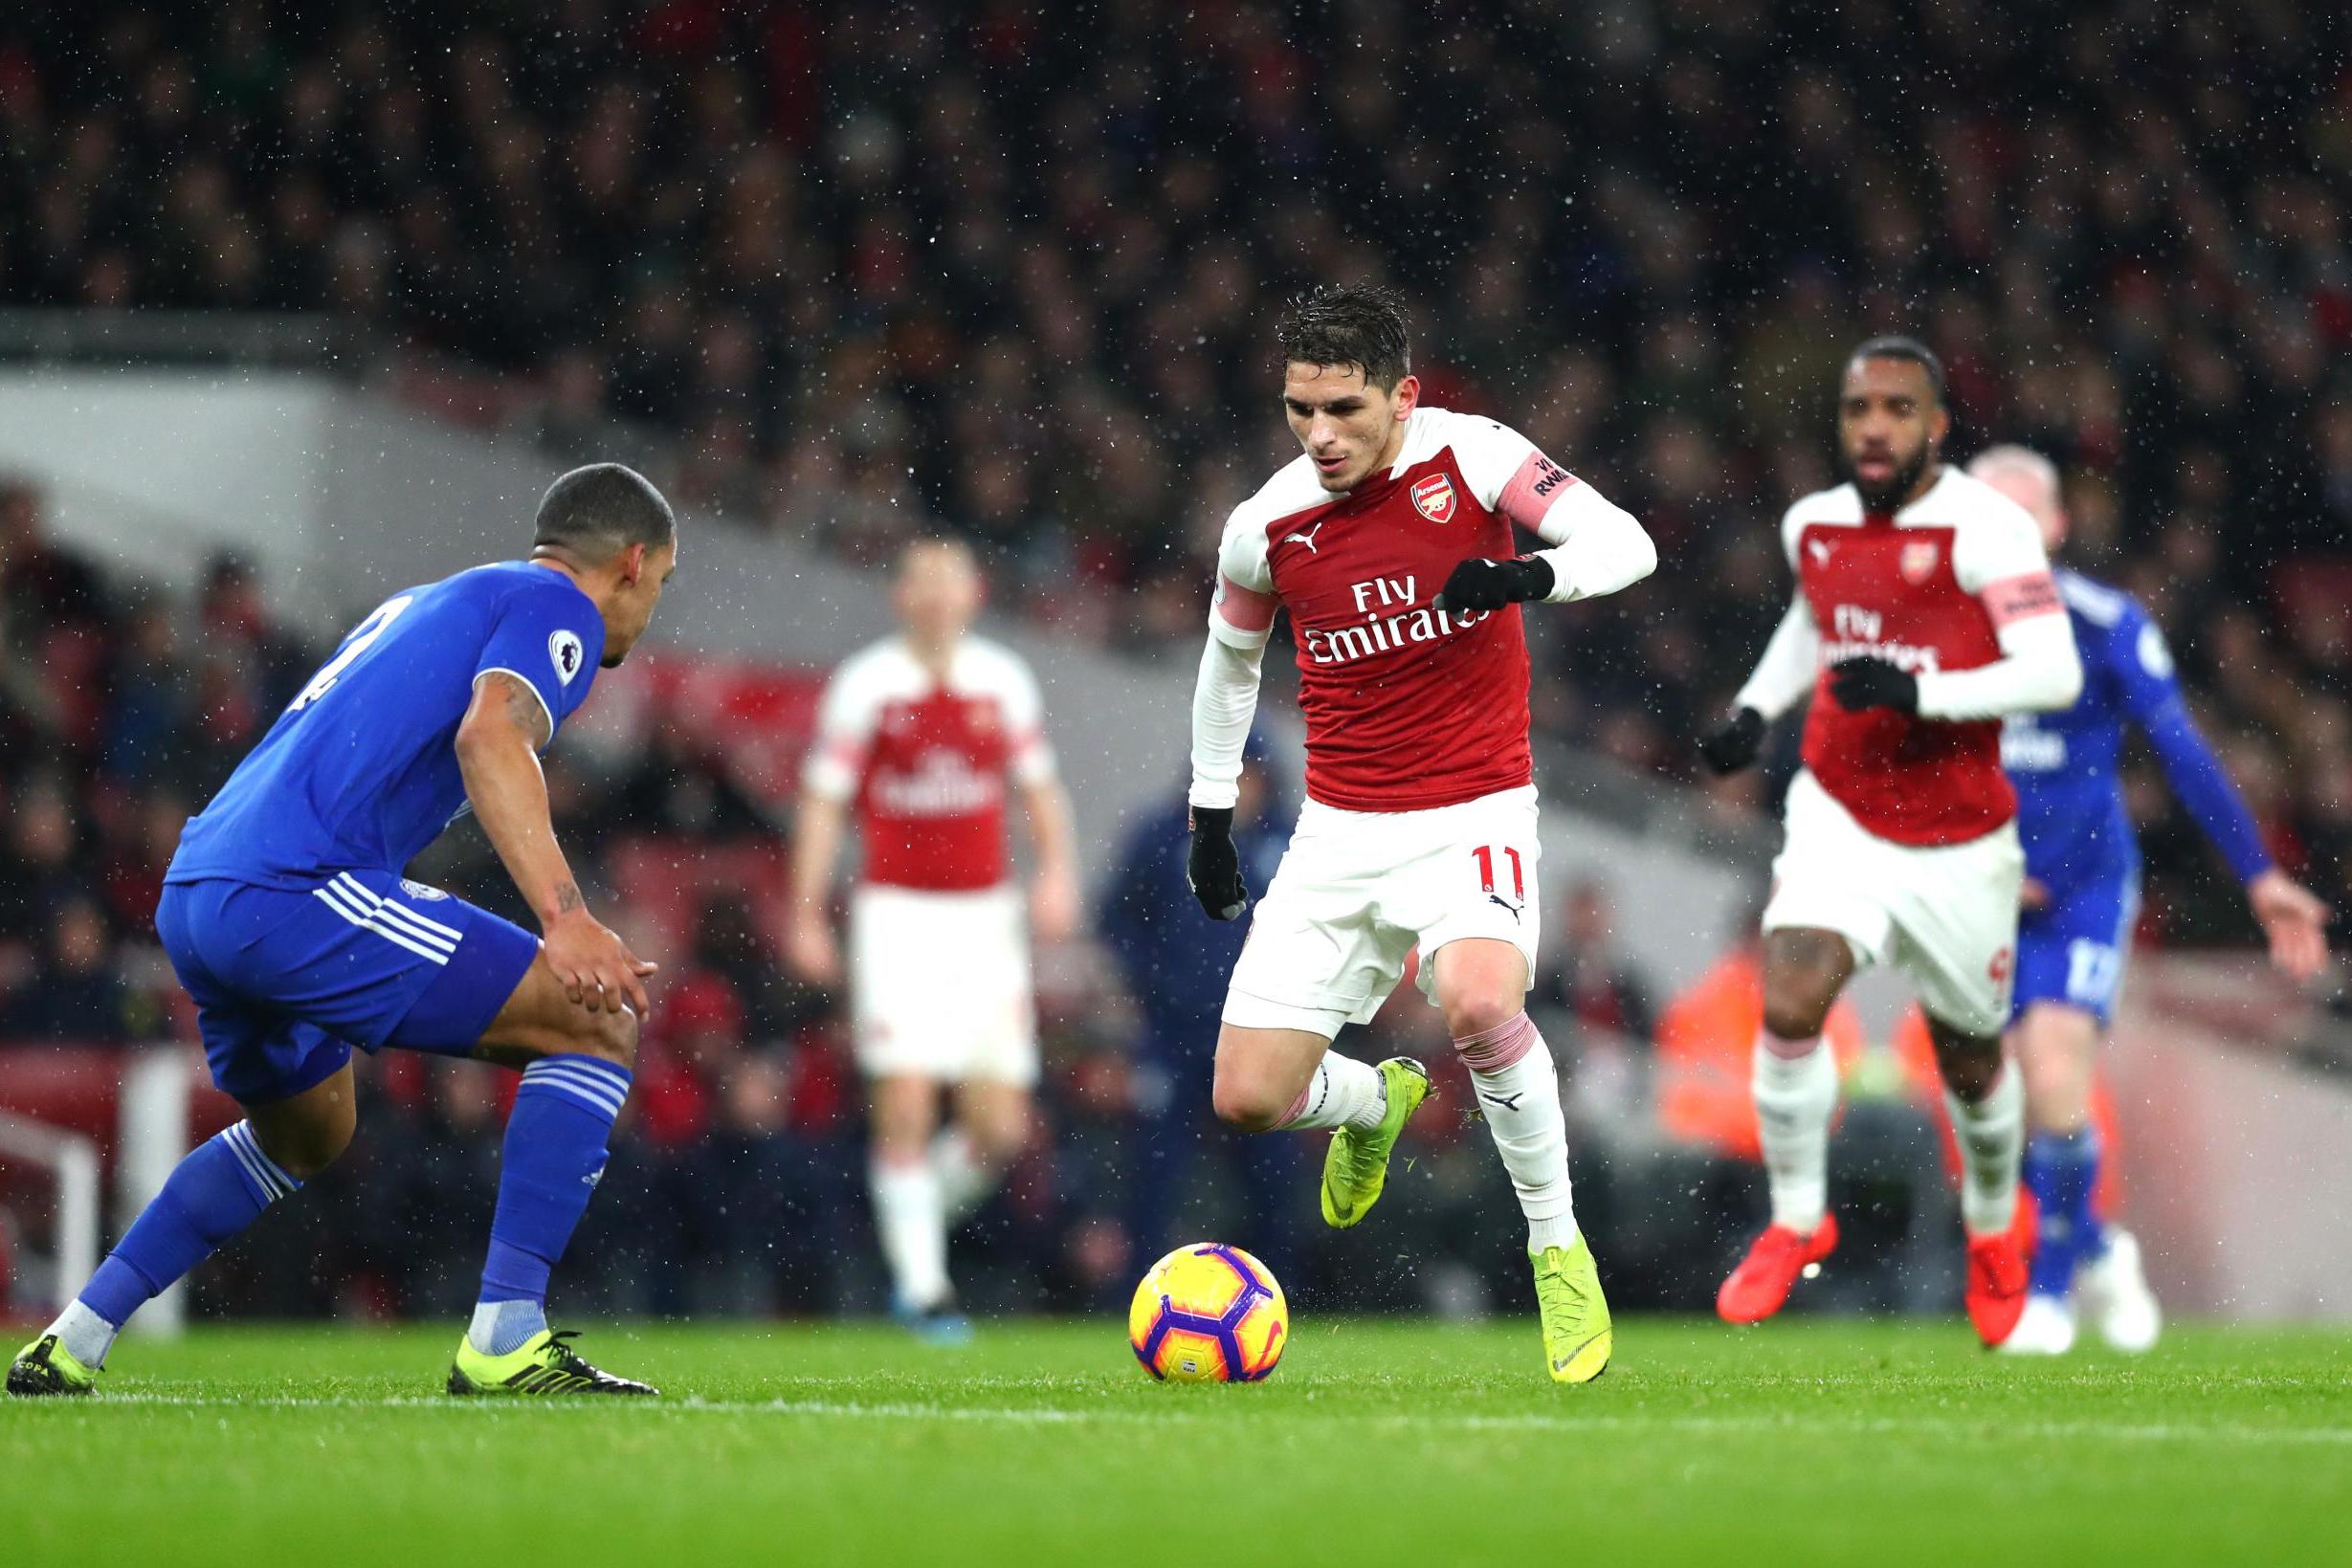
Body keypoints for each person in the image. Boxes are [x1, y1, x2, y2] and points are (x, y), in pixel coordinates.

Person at [8, 463, 677, 1399]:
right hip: (296, 889)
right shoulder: (554, 607)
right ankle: (507, 1336)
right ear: (632, 564)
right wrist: (567, 918)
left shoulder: (428, 601)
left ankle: (71, 1336)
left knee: (307, 1131)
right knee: (597, 1020)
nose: (648, 615)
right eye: (661, 587)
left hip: (202, 888)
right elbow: (490, 739)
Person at [1184, 284, 1655, 1382]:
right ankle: (1374, 1099)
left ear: (1403, 396)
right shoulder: (1265, 523)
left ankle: (1554, 1243)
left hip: (1472, 813)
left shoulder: (1474, 456)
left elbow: (1624, 541)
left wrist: (1532, 572)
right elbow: (1228, 662)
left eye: (1343, 408)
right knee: (1247, 1097)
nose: (1319, 434)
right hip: (1338, 832)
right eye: (1300, 409)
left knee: (1485, 1002)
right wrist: (1212, 810)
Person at [1697, 338, 2083, 1347]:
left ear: (1935, 425)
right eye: (1858, 407)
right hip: (1839, 807)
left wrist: (1922, 691)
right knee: (1787, 996)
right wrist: (1753, 708)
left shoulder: (1988, 530)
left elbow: (2052, 672)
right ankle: (1793, 1216)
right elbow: (1808, 624)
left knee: (1968, 1063)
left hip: (1959, 838)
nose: (1873, 426)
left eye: (1896, 408)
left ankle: (1997, 1229)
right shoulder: (1812, 525)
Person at [1967, 445, 2331, 1356]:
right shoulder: (1933, 634)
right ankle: (2097, 1243)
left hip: (2085, 885)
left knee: (2054, 1072)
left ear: (2054, 528)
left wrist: (2261, 874)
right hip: (1979, 888)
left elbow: (2183, 749)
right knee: (1993, 1097)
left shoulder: (2102, 623)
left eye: (2018, 520)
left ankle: (2050, 1290)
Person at [787, 538, 1079, 1340]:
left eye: (953, 582)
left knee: (1000, 1130)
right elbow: (822, 802)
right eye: (925, 582)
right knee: (907, 1099)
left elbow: (1039, 787)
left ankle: (898, 1215)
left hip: (986, 920)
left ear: (975, 594)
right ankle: (923, 1286)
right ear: (903, 597)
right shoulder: (868, 686)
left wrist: (1057, 873)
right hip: (898, 918)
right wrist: (805, 911)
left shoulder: (1004, 681)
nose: (940, 597)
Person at [1098, 736, 1298, 1270]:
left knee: (1274, 1170)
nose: (1240, 790)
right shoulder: (1163, 838)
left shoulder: (1291, 840)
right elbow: (1116, 920)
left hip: (1262, 1030)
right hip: (1173, 1032)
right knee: (1155, 1166)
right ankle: (1138, 1285)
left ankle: (1285, 1287)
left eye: (1249, 777)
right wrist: (1156, 983)